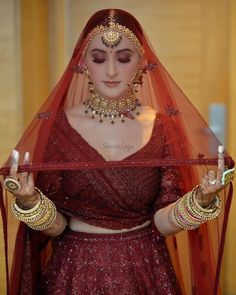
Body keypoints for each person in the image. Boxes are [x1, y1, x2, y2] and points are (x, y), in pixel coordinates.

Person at [0, 8, 234, 295]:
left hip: (145, 268)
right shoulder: (59, 128)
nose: (111, 70)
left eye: (123, 58)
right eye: (98, 58)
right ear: (83, 62)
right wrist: (29, 201)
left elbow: (162, 222)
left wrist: (202, 198)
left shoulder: (162, 128)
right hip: (75, 271)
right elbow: (57, 226)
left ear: (141, 62)